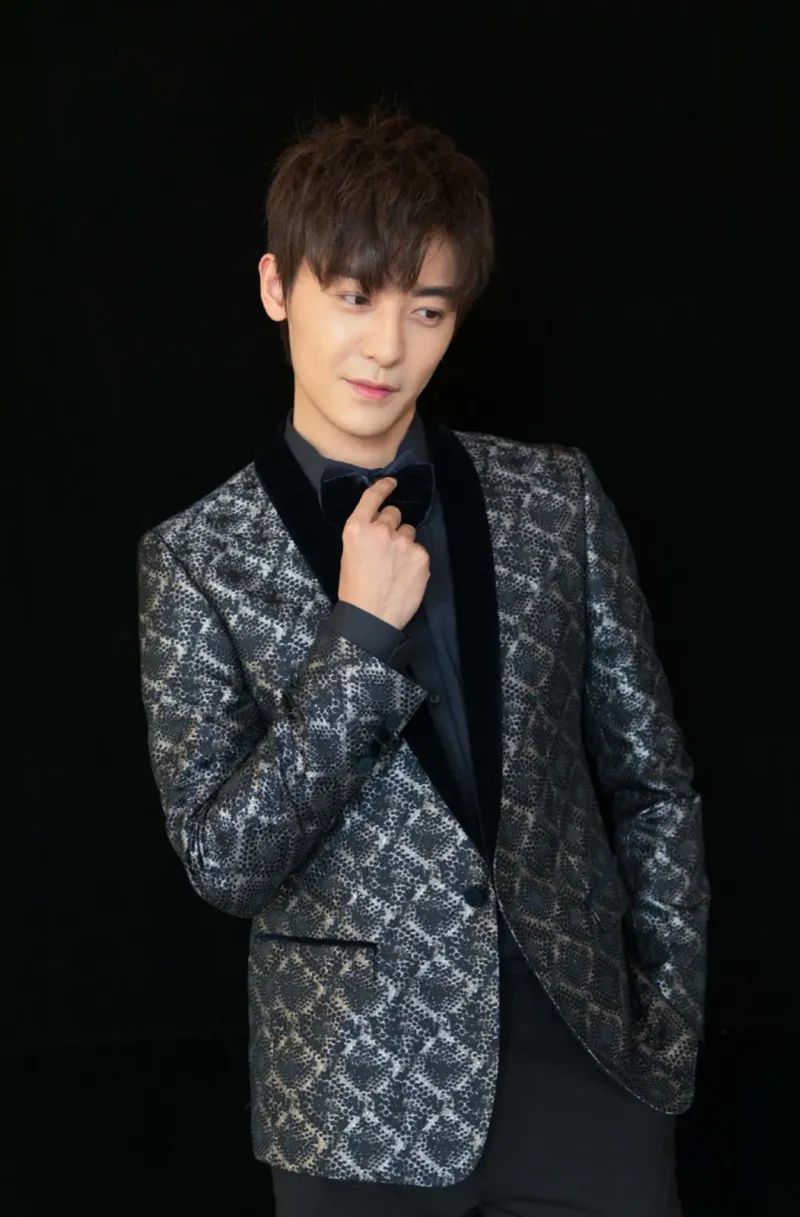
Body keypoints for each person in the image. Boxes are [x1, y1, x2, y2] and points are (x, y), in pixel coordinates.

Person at [137, 104, 710, 1217]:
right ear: (277, 287)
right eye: (355, 295)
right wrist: (356, 640)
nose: (387, 346)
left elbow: (651, 783)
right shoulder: (196, 556)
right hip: (349, 1096)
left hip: (587, 1065)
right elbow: (224, 860)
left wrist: (667, 1031)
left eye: (427, 308)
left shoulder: (555, 498)